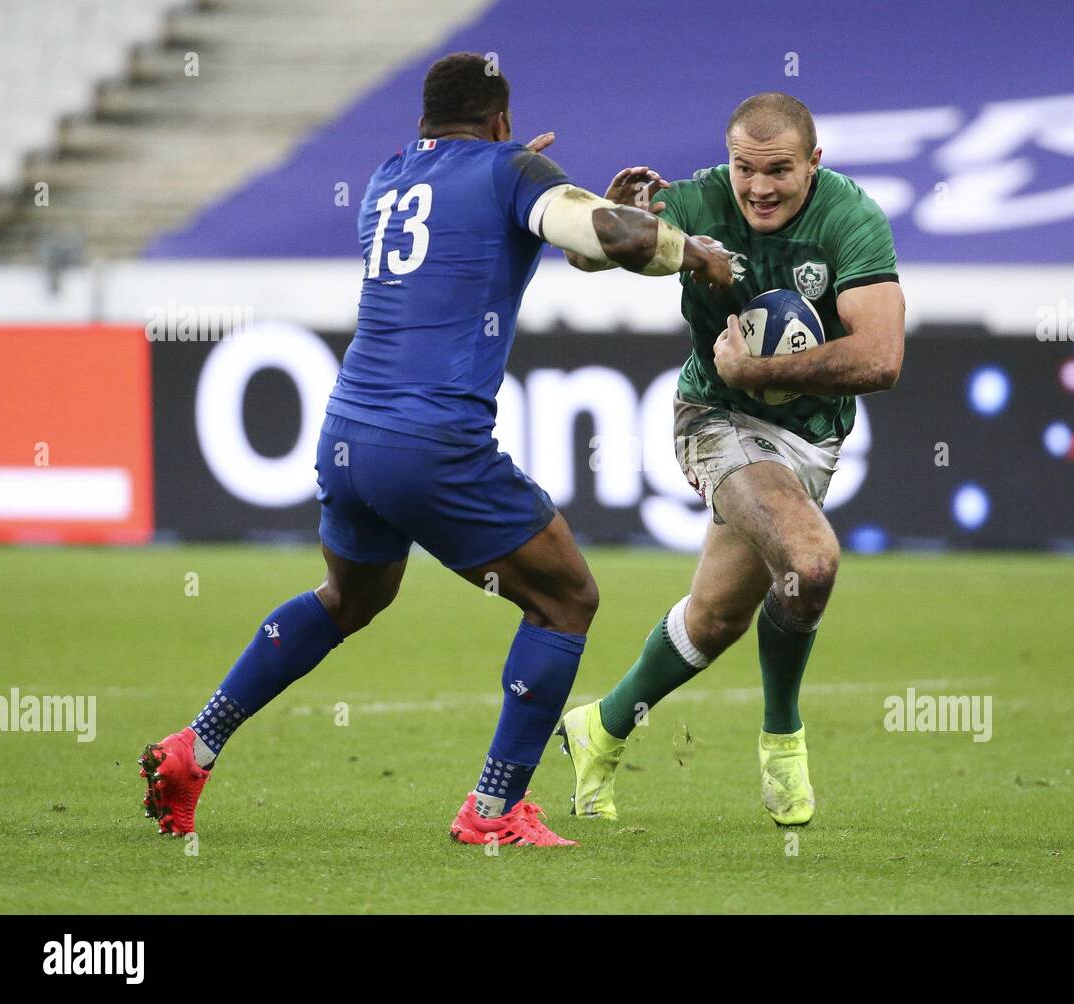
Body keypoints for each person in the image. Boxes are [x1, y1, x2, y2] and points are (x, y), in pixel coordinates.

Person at [139, 52, 732, 848]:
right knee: (566, 600)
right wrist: (693, 251)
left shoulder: (387, 181)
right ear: (500, 122)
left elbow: (576, 236)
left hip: (348, 432)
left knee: (348, 599)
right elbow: (610, 233)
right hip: (432, 443)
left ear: (425, 121)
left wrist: (549, 187)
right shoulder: (510, 171)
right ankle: (492, 811)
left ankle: (194, 747)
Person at [559, 92, 904, 826]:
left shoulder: (851, 220)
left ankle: (599, 728)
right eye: (746, 168)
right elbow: (586, 258)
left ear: (815, 162)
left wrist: (763, 373)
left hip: (808, 437)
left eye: (779, 170)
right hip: (714, 419)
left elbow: (882, 357)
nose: (759, 188)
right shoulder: (698, 201)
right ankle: (783, 737)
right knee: (810, 562)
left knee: (716, 618)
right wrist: (606, 229)